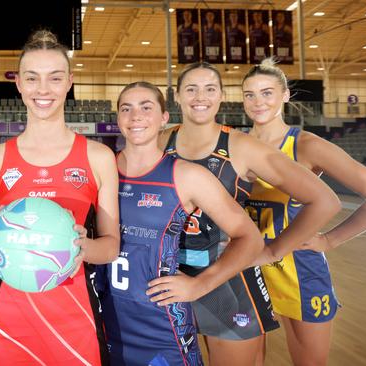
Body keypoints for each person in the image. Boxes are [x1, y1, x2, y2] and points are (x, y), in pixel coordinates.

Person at [159, 61, 340, 366]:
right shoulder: (161, 141)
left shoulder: (243, 146)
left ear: (221, 95)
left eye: (209, 89)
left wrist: (273, 251)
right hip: (171, 276)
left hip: (228, 279)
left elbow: (324, 200)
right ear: (177, 95)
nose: (200, 96)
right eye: (191, 89)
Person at [0, 30, 120, 365]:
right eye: (32, 78)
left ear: (69, 82)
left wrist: (82, 245)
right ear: (19, 85)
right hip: (12, 316)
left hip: (76, 313)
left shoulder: (98, 157)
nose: (43, 90)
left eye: (54, 78)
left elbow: (110, 246)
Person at [98, 81, 264, 366]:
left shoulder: (187, 176)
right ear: (118, 119)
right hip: (104, 319)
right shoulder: (101, 169)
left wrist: (199, 285)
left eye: (146, 107)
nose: (135, 116)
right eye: (126, 108)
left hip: (162, 327)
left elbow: (249, 238)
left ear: (164, 118)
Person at [242, 58, 366, 366]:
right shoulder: (235, 144)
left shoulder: (306, 145)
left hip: (298, 269)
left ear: (285, 94)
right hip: (246, 265)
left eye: (267, 92)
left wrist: (330, 240)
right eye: (249, 94)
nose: (258, 102)